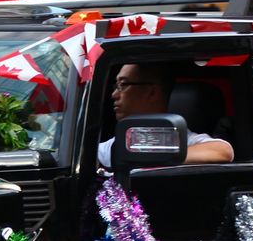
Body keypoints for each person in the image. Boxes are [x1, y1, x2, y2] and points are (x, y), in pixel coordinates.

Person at [97, 63, 234, 167]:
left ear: (152, 92)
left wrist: (148, 157)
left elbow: (223, 151)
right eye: (116, 86)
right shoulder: (114, 145)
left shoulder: (183, 140)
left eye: (123, 84)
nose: (114, 95)